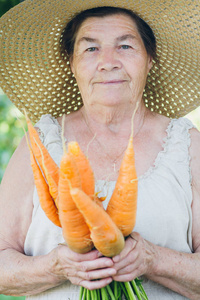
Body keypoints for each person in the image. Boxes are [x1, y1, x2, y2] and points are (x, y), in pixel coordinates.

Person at [0, 0, 200, 299]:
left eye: (126, 47)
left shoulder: (187, 145)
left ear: (150, 59)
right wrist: (54, 266)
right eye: (91, 48)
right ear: (71, 62)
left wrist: (154, 260)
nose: (108, 61)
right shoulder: (40, 143)